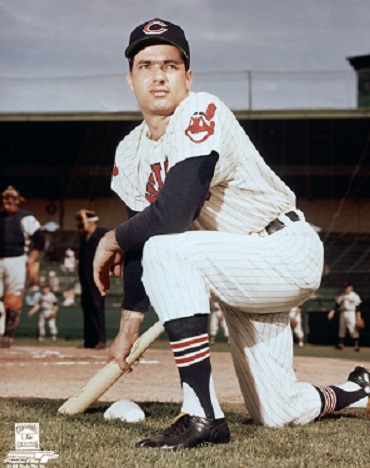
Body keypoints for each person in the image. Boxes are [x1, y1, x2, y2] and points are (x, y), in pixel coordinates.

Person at [93, 19, 370, 450]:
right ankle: (358, 388)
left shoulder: (201, 109)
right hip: (236, 270)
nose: (159, 74)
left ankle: (202, 414)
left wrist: (111, 237)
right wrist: (127, 326)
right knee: (277, 413)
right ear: (130, 80)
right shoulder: (130, 151)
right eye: (146, 65)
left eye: (171, 64)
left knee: (169, 247)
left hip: (283, 249)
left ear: (188, 77)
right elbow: (140, 247)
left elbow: (169, 219)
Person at [0, 186, 45, 348]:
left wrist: (31, 259)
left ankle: (8, 335)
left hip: (17, 260)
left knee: (12, 299)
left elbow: (40, 240)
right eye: (5, 198)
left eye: (11, 198)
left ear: (18, 200)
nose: (8, 201)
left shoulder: (26, 217)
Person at [76, 209, 108, 349]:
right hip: (85, 278)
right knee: (87, 307)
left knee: (97, 307)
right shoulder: (83, 238)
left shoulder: (102, 234)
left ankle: (101, 339)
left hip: (97, 277)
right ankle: (89, 340)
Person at [327, 283, 362, 352]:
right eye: (345, 287)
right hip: (343, 312)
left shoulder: (355, 296)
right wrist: (332, 312)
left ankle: (356, 345)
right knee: (342, 328)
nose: (346, 288)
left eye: (348, 287)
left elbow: (358, 308)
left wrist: (359, 318)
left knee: (352, 328)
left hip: (351, 312)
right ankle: (341, 345)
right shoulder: (342, 295)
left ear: (351, 288)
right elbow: (337, 305)